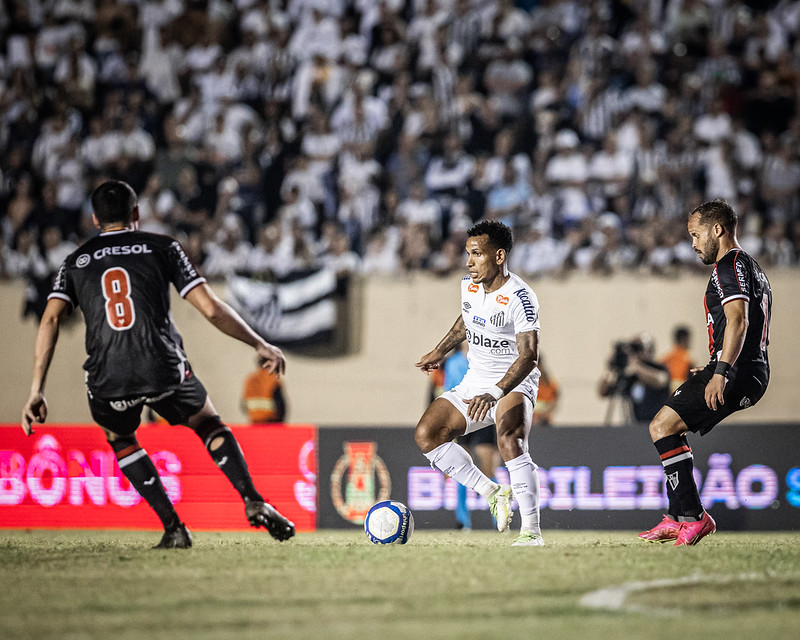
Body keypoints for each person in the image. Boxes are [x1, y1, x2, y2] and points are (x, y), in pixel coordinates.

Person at [21, 180, 295, 549]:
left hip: (108, 375)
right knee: (208, 422)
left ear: (94, 218)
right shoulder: (162, 246)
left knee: (120, 438)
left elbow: (51, 320)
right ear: (136, 213)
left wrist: (37, 389)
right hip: (161, 365)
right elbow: (211, 308)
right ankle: (252, 499)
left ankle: (174, 528)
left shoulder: (75, 261)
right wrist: (259, 343)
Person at [639, 198, 771, 546]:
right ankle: (677, 516)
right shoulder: (750, 266)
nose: (693, 243)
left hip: (739, 371)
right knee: (670, 427)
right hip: (746, 368)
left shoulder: (728, 265)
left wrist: (722, 370)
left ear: (718, 229)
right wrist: (716, 362)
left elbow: (738, 320)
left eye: (696, 235)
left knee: (661, 425)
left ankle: (694, 517)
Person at [414, 220, 544, 546]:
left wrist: (496, 392)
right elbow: (466, 321)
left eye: (477, 254)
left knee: (510, 440)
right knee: (427, 434)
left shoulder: (521, 297)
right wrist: (440, 350)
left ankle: (531, 531)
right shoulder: (468, 286)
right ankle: (492, 491)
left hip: (513, 382)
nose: (469, 262)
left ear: (499, 256)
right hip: (475, 381)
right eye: (468, 254)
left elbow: (529, 357)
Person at [598, 333, 670, 425]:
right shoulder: (630, 374)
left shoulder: (658, 368)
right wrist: (611, 371)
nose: (636, 353)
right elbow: (603, 393)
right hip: (636, 425)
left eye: (638, 348)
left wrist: (637, 368)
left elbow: (661, 380)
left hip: (657, 424)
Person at [242, 357, 287, 424]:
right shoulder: (272, 379)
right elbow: (280, 404)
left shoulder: (250, 379)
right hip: (271, 422)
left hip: (254, 421)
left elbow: (243, 405)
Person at [661, 325, 695, 392]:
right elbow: (678, 381)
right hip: (679, 394)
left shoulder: (666, 358)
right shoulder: (685, 359)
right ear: (683, 340)